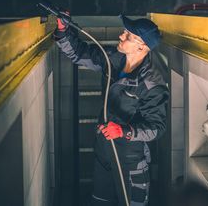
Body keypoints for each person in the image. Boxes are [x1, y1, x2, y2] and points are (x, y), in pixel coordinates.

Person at [53, 14, 169, 206]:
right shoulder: (114, 59)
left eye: (128, 36)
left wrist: (125, 131)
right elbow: (79, 53)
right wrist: (63, 31)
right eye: (124, 32)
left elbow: (156, 127)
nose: (121, 36)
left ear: (141, 47)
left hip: (130, 158)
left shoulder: (151, 83)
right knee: (100, 202)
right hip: (104, 150)